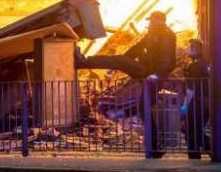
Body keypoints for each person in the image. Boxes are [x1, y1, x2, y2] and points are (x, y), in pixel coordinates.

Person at [75, 10, 176, 158]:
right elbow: (134, 51)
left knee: (145, 109)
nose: (149, 23)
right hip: (146, 71)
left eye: (151, 21)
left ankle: (83, 62)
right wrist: (118, 64)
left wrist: (158, 75)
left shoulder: (167, 36)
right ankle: (155, 148)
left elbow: (168, 59)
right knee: (144, 109)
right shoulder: (151, 35)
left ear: (158, 20)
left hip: (153, 75)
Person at [181, 39, 211, 159]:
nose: (188, 49)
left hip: (196, 104)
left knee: (190, 130)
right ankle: (209, 149)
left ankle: (197, 155)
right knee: (195, 129)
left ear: (195, 49)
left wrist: (184, 106)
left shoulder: (194, 66)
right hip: (205, 104)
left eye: (190, 47)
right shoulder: (204, 65)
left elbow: (190, 89)